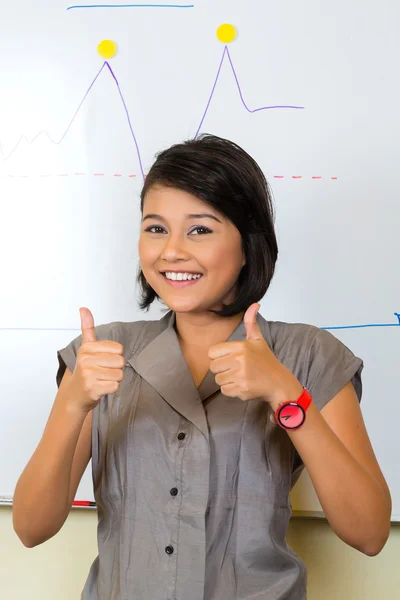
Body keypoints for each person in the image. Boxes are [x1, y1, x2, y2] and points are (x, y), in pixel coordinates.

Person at [13, 134, 391, 600]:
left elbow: (370, 532)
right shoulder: (102, 351)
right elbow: (31, 528)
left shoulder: (307, 353)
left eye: (200, 230)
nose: (171, 251)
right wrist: (72, 405)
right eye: (155, 229)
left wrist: (286, 395)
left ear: (248, 243)